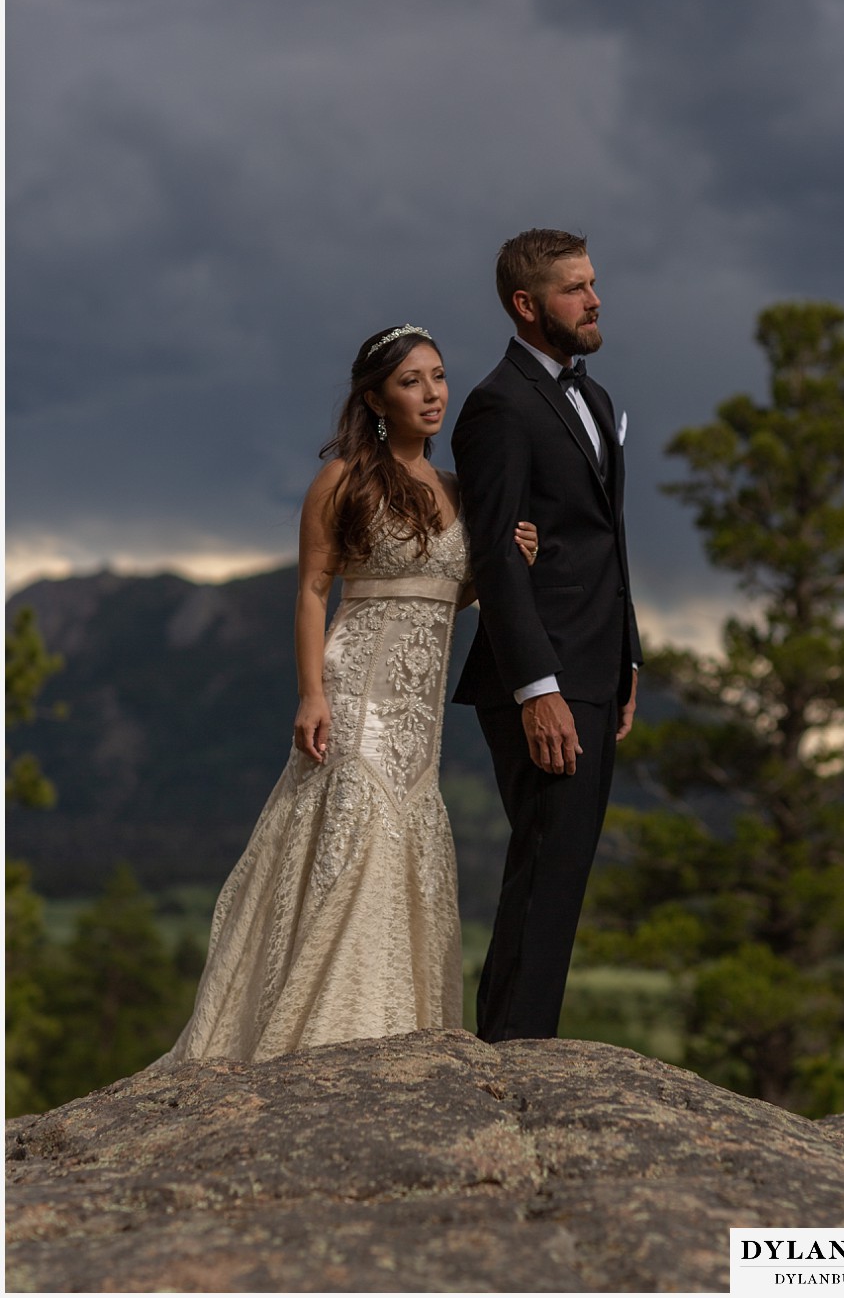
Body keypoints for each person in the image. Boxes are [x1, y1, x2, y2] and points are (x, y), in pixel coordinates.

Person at [153, 324, 539, 1065]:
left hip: (419, 714)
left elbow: (438, 594)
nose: (431, 394)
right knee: (356, 834)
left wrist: (503, 566)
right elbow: (311, 591)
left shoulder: (457, 488)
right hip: (354, 687)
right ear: (375, 398)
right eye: (410, 381)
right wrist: (310, 694)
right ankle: (326, 1031)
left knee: (408, 841)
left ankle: (398, 1026)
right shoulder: (341, 479)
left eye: (438, 376)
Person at [451, 229, 643, 1043]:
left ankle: (527, 1048)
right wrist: (539, 689)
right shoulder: (497, 406)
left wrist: (628, 653)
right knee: (543, 868)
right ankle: (508, 1059)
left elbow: (605, 537)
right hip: (542, 680)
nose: (595, 299)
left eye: (594, 283)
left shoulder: (593, 399)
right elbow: (496, 557)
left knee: (565, 873)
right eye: (575, 288)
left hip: (597, 665)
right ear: (527, 306)